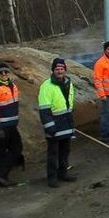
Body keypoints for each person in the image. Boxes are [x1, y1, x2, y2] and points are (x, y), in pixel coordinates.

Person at [38, 58, 77, 188]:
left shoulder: (68, 83)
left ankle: (63, 173)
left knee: (65, 151)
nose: (59, 71)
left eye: (61, 69)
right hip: (54, 125)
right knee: (53, 153)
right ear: (53, 70)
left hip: (66, 123)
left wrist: (70, 123)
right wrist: (50, 126)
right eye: (57, 69)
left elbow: (69, 103)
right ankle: (52, 177)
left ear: (65, 70)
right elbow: (44, 109)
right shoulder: (46, 86)